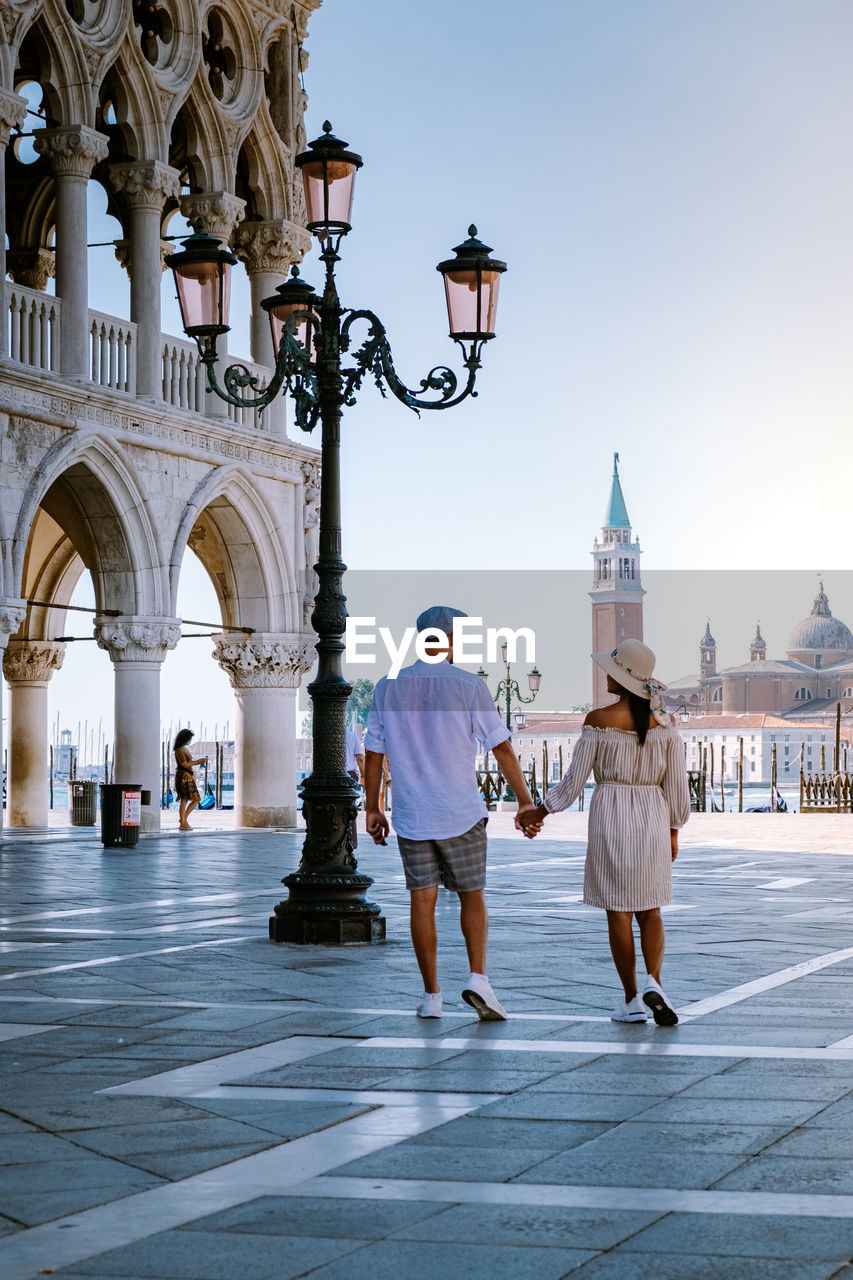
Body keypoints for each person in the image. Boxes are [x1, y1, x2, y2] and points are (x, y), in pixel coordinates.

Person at [364, 605, 537, 1022]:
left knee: (421, 903)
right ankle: (478, 978)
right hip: (460, 811)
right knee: (472, 896)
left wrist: (373, 807)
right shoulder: (468, 686)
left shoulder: (388, 687)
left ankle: (431, 996)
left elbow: (373, 752)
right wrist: (526, 801)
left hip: (411, 815)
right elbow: (501, 747)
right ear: (451, 639)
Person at [517, 639, 690, 1026]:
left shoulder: (598, 720)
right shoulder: (665, 724)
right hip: (652, 814)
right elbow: (677, 784)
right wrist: (674, 829)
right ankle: (656, 983)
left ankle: (631, 1000)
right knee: (652, 908)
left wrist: (539, 812)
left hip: (611, 813)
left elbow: (574, 782)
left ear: (622, 680)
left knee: (619, 911)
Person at [173, 729, 207, 832]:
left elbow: (188, 762)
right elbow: (184, 764)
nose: (190, 740)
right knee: (184, 799)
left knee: (195, 799)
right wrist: (198, 762)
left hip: (188, 776)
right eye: (189, 739)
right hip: (183, 776)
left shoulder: (184, 748)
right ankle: (183, 822)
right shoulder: (179, 750)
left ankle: (183, 819)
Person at [345, 726, 365, 848]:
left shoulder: (326, 735)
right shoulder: (352, 736)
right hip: (349, 776)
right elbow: (360, 758)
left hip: (330, 776)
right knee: (350, 809)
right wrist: (365, 777)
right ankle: (351, 841)